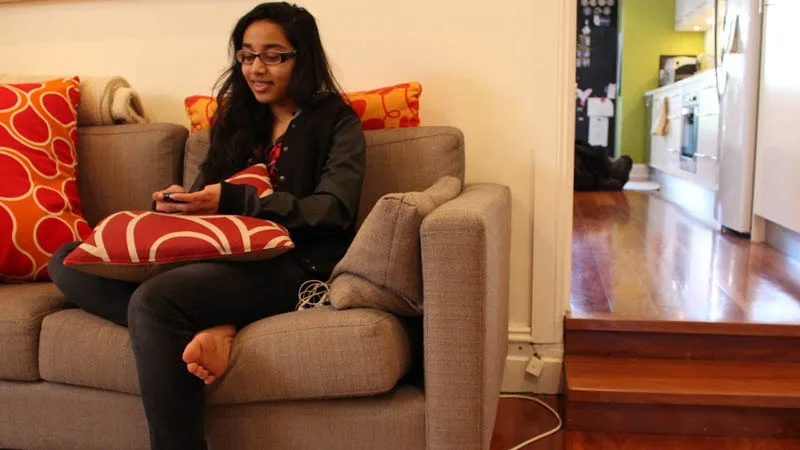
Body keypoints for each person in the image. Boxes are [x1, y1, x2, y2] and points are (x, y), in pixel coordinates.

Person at [48, 3, 366, 449]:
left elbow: (334, 211)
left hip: (295, 262)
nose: (257, 68)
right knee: (69, 260)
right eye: (247, 55)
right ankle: (211, 325)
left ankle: (205, 333)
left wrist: (239, 199)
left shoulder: (337, 122)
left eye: (273, 55)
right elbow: (207, 203)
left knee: (154, 303)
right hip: (219, 255)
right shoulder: (235, 119)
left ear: (304, 56)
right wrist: (177, 205)